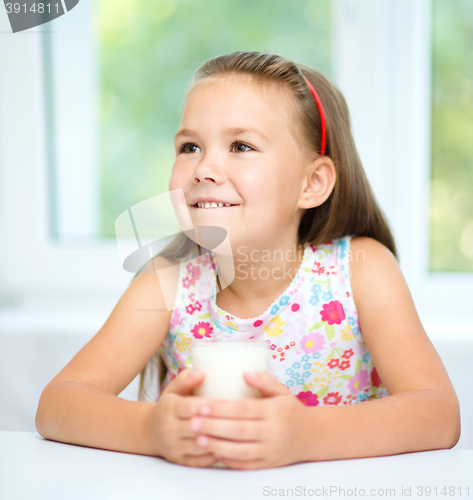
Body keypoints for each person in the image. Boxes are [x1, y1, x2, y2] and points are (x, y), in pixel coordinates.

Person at [35, 51, 461, 470]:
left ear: (312, 184)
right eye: (189, 146)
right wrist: (152, 429)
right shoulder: (166, 279)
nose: (204, 168)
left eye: (240, 145)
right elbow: (57, 405)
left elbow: (440, 416)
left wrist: (306, 435)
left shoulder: (360, 270)